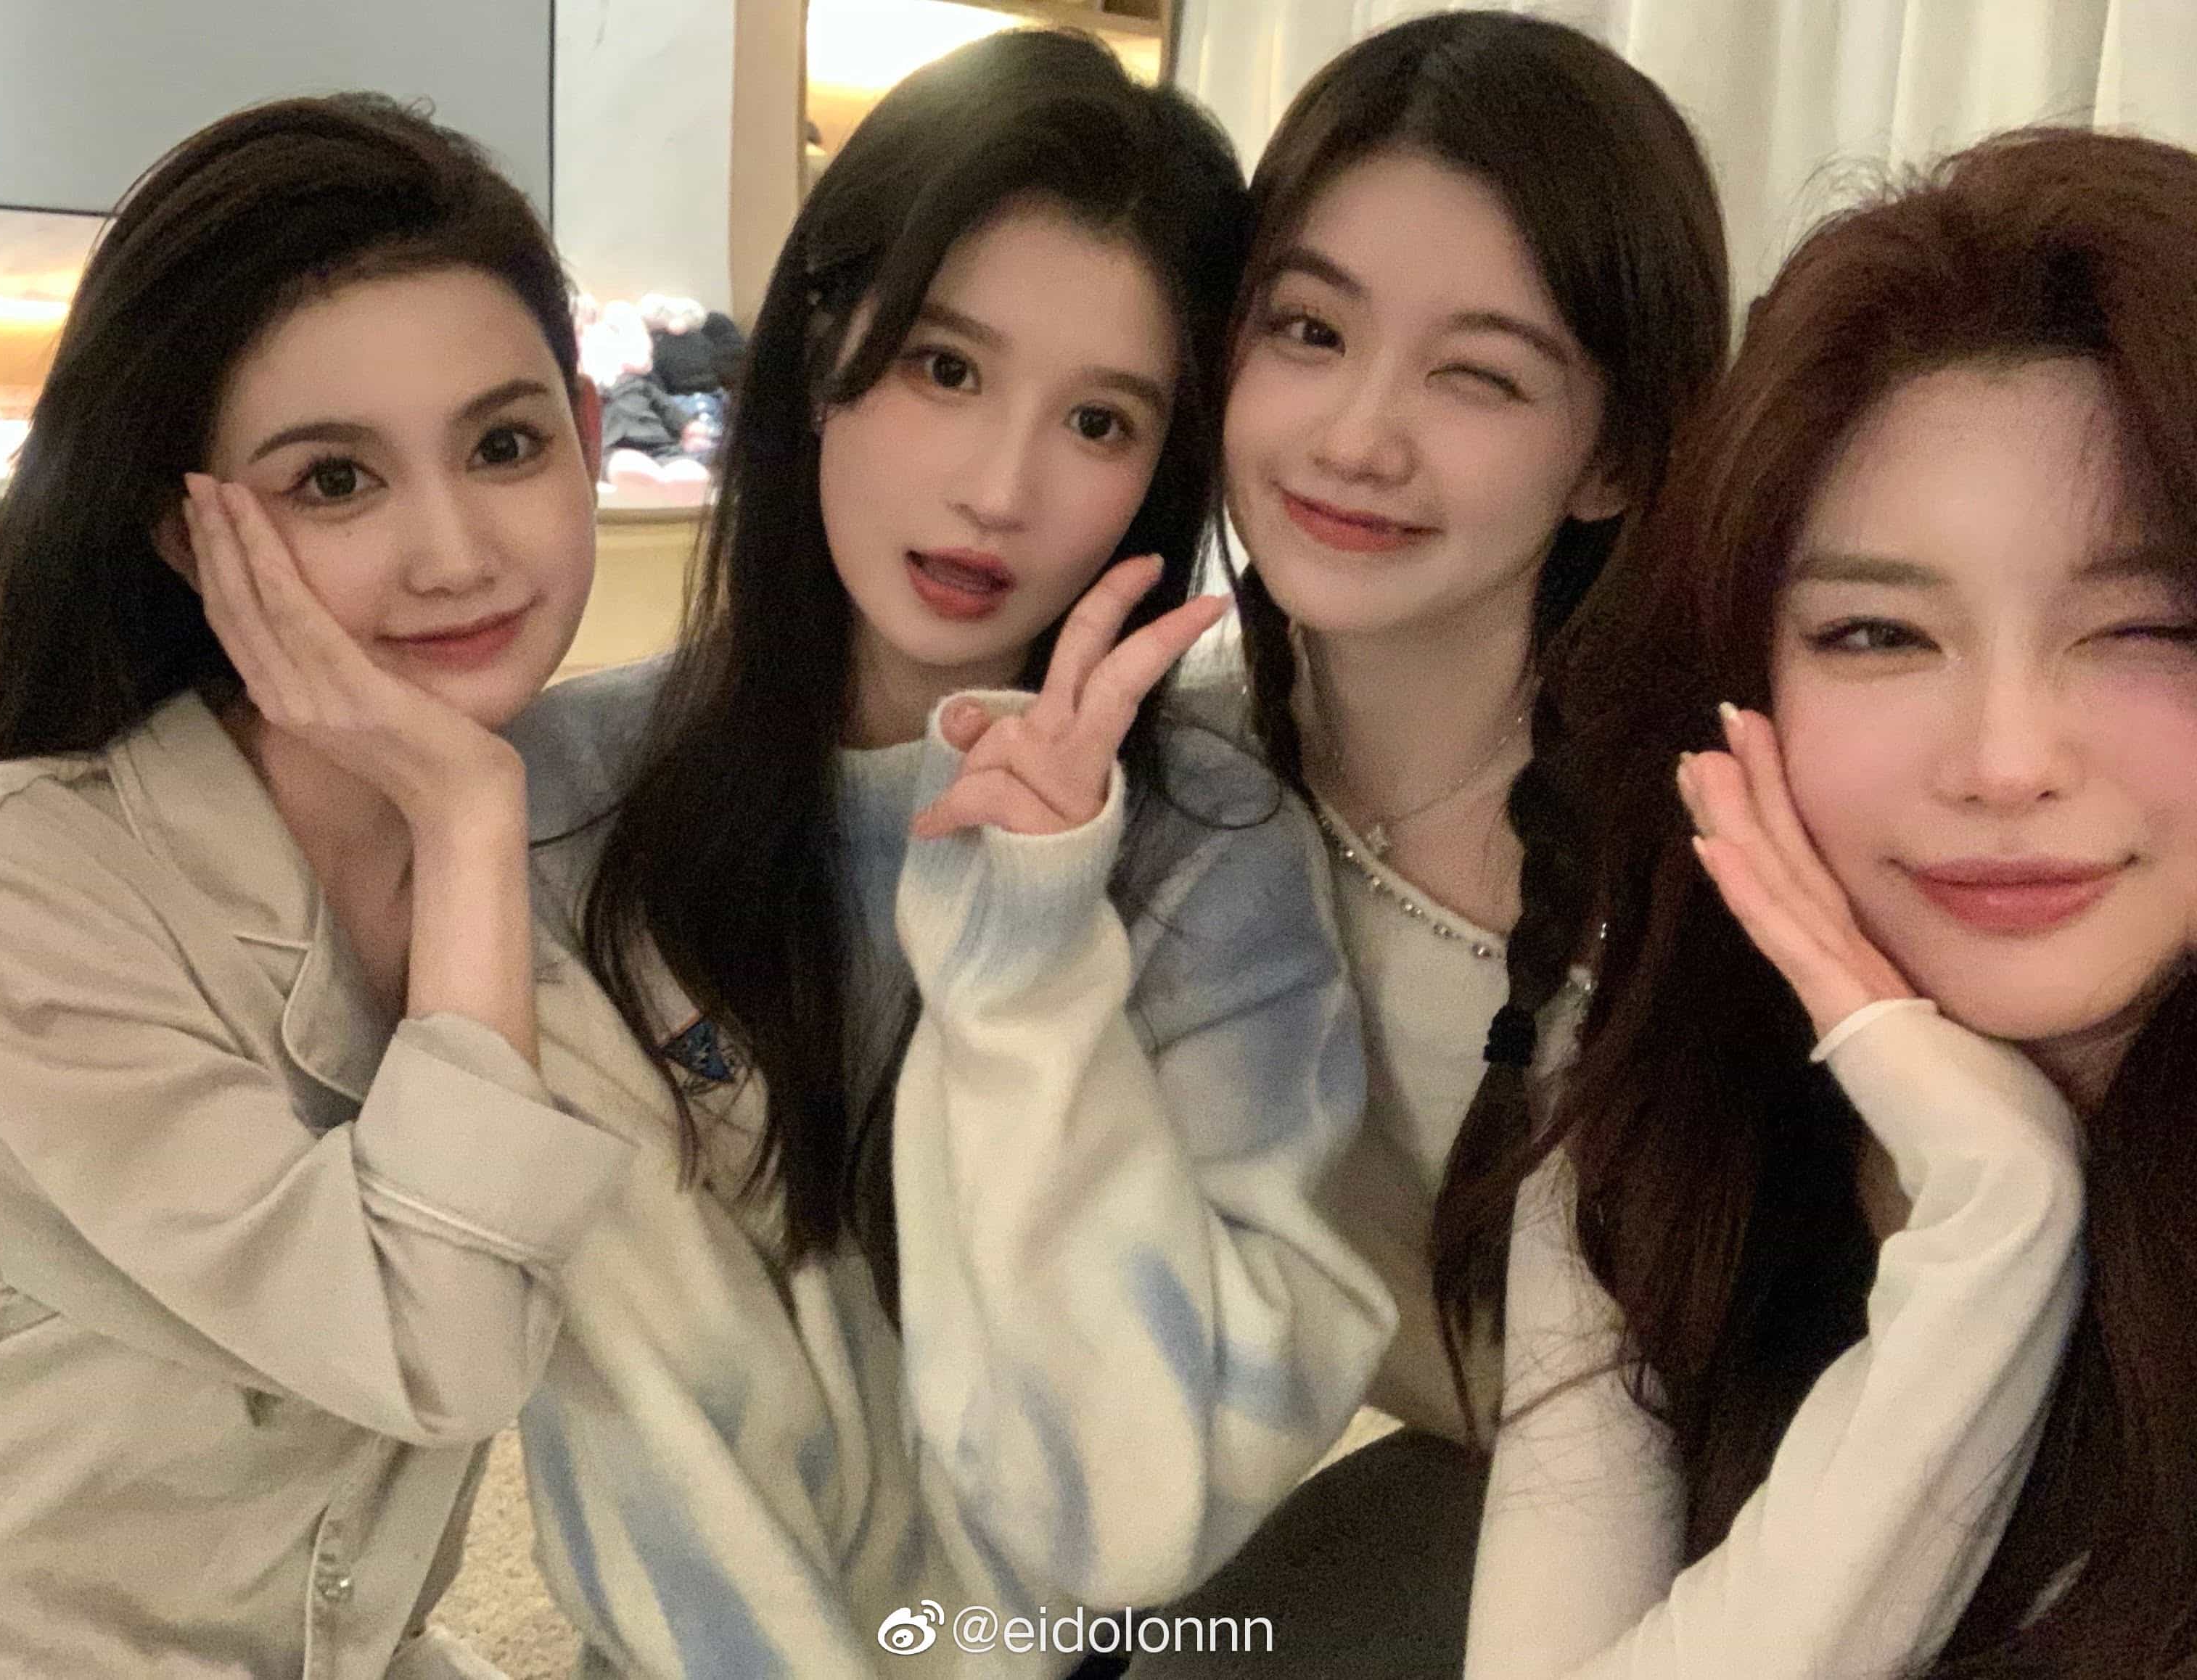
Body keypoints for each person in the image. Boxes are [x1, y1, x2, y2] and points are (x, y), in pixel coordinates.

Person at [506, 28, 1396, 1679]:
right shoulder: (563, 801)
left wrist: (1034, 952)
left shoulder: (1207, 855)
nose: (999, 488)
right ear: (820, 345)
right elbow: (635, 1428)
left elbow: (1113, 1528)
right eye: (944, 367)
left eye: (1101, 420)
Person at [1460, 126, 2197, 1677]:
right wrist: (1993, 1225)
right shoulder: (1654, 1128)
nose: (2004, 762)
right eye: (1875, 634)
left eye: (2149, 630)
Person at [0, 96, 634, 1676]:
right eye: (335, 480)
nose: (454, 552)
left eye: (505, 446)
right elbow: (439, 1344)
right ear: (187, 535)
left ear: (591, 441)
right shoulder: (13, 890)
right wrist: (464, 811)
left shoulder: (584, 832)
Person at [1149, 14, 1728, 1669]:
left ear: (1613, 457)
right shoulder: (1168, 763)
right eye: (1309, 329)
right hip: (1460, 1472)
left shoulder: (1691, 860)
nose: (1356, 436)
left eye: (1477, 373)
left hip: (1739, 1529)